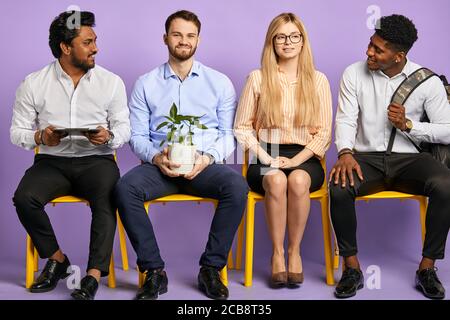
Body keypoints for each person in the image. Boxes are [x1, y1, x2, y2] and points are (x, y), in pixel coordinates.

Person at [114, 10, 248, 300]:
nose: (183, 41)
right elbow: (137, 137)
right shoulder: (145, 83)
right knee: (125, 189)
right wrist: (156, 157)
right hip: (160, 166)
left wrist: (208, 158)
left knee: (237, 186)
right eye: (177, 34)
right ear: (165, 38)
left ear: (198, 39)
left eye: (190, 35)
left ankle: (210, 269)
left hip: (204, 166)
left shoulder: (219, 82)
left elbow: (228, 135)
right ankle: (153, 271)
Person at [11, 11, 131, 300]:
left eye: (95, 41)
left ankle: (92, 275)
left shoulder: (111, 82)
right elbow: (17, 132)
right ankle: (57, 260)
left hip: (97, 160)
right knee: (24, 197)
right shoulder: (34, 83)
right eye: (88, 42)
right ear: (66, 48)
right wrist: (41, 137)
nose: (95, 48)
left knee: (107, 195)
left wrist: (109, 136)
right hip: (52, 161)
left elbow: (125, 128)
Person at [329, 14, 450, 299]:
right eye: (370, 44)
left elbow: (447, 131)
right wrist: (345, 152)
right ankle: (352, 268)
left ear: (399, 56)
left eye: (378, 49)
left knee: (446, 184)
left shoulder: (427, 81)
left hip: (410, 160)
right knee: (339, 187)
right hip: (365, 158)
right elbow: (346, 119)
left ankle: (427, 268)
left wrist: (410, 125)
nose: (369, 52)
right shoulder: (353, 73)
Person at [234, 12, 332, 287]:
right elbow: (242, 128)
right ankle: (277, 254)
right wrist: (267, 158)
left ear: (302, 41)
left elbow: (324, 133)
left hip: (305, 155)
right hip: (266, 151)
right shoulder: (257, 78)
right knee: (276, 180)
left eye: (293, 36)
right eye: (280, 37)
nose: (287, 42)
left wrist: (297, 160)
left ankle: (294, 252)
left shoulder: (319, 80)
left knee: (299, 179)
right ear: (272, 42)